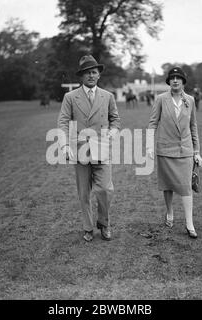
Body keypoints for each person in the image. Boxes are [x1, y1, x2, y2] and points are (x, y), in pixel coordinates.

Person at [57, 55, 121, 242]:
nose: (91, 76)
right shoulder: (70, 97)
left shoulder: (108, 96)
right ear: (81, 77)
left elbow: (115, 119)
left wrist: (114, 132)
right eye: (87, 73)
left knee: (105, 190)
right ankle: (87, 227)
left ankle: (104, 223)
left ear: (99, 75)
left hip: (102, 149)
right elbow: (62, 121)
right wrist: (65, 145)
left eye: (94, 72)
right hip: (80, 150)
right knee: (84, 192)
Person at [147, 67, 202, 239]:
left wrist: (197, 151)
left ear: (183, 81)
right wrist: (149, 146)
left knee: (186, 186)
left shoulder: (190, 100)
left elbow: (193, 126)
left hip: (185, 150)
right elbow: (152, 123)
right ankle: (170, 212)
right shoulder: (161, 99)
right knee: (168, 184)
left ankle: (189, 223)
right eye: (172, 78)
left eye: (178, 78)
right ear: (169, 81)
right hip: (165, 149)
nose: (175, 80)